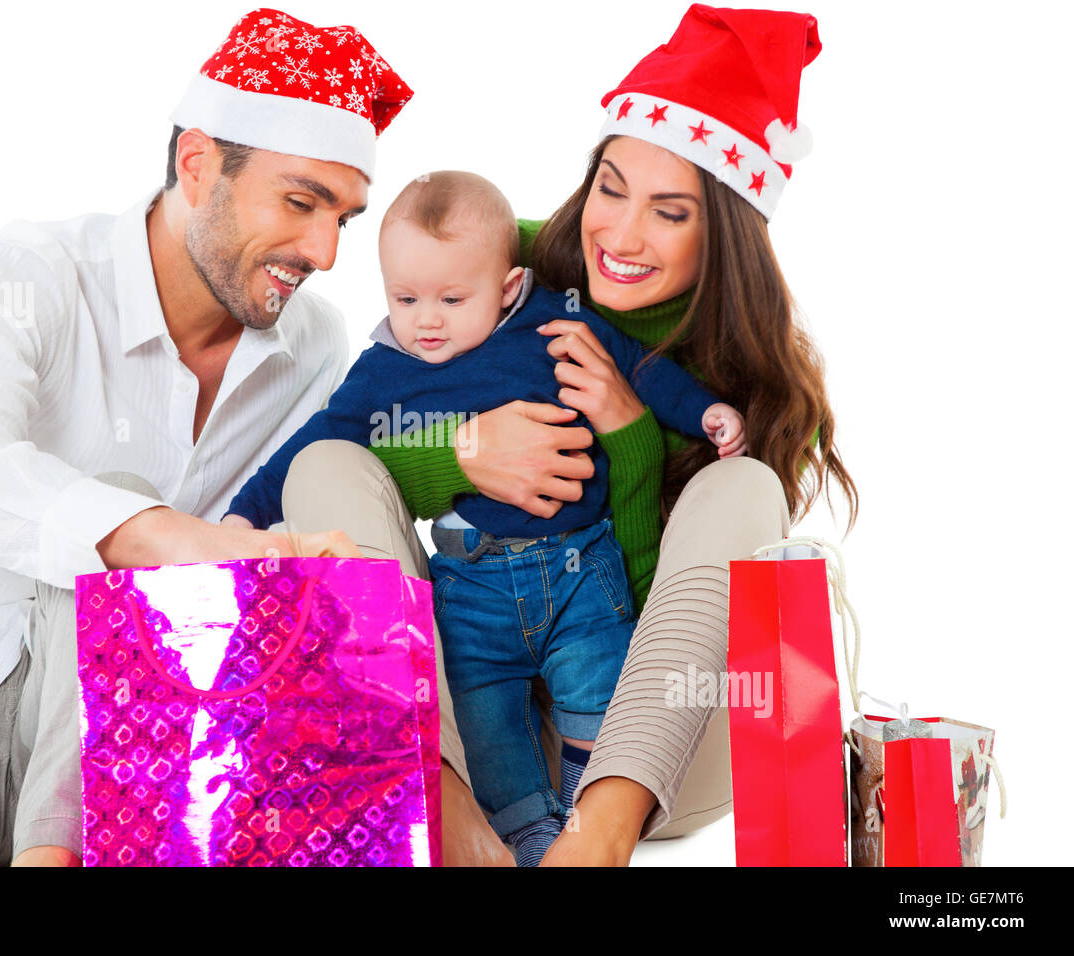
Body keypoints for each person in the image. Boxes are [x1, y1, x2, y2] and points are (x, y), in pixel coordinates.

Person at [0, 8, 408, 866]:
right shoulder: (22, 277)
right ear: (197, 165)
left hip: (130, 748)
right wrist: (155, 536)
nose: (326, 251)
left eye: (345, 218)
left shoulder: (312, 346)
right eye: (301, 203)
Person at [280, 4, 857, 865]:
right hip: (466, 715)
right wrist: (464, 455)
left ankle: (595, 844)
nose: (618, 235)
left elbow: (667, 619)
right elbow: (366, 431)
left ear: (727, 231)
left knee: (744, 486)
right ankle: (447, 820)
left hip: (656, 746)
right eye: (610, 189)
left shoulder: (757, 392)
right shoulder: (496, 269)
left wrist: (630, 438)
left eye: (670, 212)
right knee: (322, 461)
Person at [222, 169, 745, 865]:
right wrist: (242, 514)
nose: (426, 320)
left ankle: (591, 822)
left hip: (579, 568)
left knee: (599, 683)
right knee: (487, 719)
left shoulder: (549, 328)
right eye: (404, 298)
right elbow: (315, 442)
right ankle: (523, 840)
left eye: (450, 298)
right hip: (470, 589)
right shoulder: (386, 370)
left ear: (507, 289)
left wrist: (700, 412)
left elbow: (642, 369)